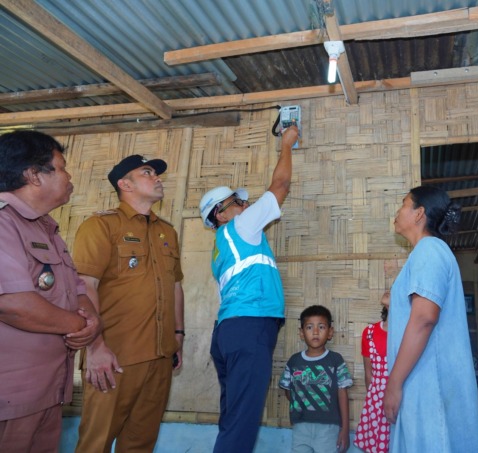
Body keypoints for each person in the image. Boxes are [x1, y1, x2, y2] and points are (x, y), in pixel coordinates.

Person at [73, 154, 185, 452]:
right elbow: (84, 286)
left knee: (140, 443)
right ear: (125, 184)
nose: (157, 177)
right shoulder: (101, 226)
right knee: (95, 443)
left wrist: (178, 336)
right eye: (148, 172)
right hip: (114, 357)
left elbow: (175, 286)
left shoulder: (167, 232)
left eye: (157, 173)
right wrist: (95, 348)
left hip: (160, 356)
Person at [198, 125, 299, 453]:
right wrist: (287, 145)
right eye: (237, 201)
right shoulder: (240, 226)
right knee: (241, 425)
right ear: (221, 213)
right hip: (249, 329)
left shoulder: (219, 249)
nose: (245, 204)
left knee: (232, 420)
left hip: (228, 333)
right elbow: (280, 186)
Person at [0, 130, 101, 452]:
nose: (69, 176)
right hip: (11, 395)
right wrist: (83, 326)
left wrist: (90, 320)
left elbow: (75, 289)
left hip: (48, 390)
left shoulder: (45, 227)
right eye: (61, 166)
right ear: (33, 174)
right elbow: (14, 304)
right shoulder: (3, 222)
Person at [383, 185, 478, 452]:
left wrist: (394, 382)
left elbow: (424, 318)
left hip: (429, 385)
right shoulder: (427, 253)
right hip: (423, 382)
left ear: (419, 214)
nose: (398, 211)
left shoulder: (429, 250)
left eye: (404, 204)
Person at [279, 305, 353, 453]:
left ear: (330, 332)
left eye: (321, 326)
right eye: (309, 327)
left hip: (328, 428)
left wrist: (345, 429)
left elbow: (342, 394)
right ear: (301, 333)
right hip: (301, 426)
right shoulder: (294, 361)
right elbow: (288, 391)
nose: (315, 332)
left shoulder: (335, 360)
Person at [354, 291, 390, 453]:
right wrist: (375, 403)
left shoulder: (407, 334)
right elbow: (369, 374)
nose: (389, 290)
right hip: (375, 402)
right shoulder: (369, 332)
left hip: (400, 400)